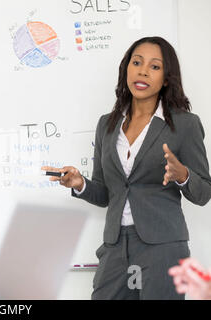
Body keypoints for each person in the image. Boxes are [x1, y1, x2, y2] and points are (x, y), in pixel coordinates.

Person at [42, 36, 211, 299]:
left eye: (155, 66)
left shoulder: (184, 124)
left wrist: (183, 175)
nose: (143, 70)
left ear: (167, 78)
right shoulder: (106, 125)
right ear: (126, 69)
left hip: (163, 247)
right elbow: (106, 194)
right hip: (116, 245)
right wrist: (81, 184)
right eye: (137, 62)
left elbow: (204, 193)